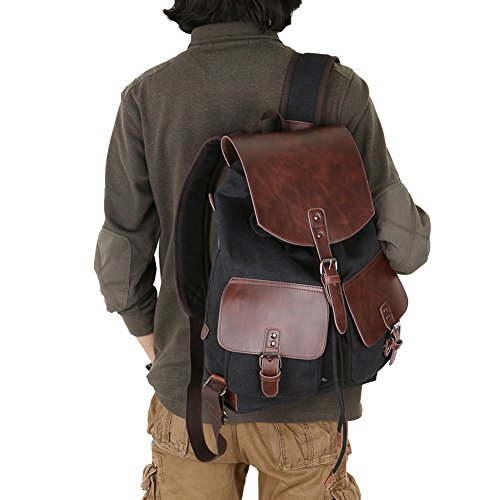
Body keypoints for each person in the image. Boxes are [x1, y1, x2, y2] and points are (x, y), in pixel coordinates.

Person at [93, 1, 431, 498]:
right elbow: (406, 248)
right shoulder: (336, 89)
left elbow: (120, 262)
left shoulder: (148, 95)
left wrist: (164, 351)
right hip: (308, 394)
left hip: (192, 397)